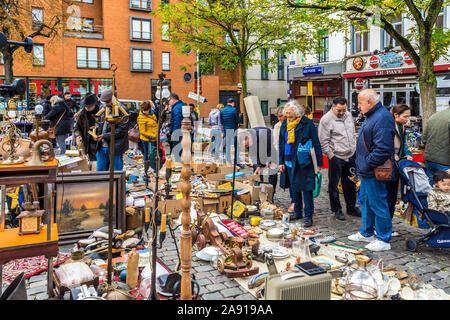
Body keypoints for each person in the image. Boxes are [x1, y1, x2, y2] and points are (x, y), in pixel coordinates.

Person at [348, 89, 395, 252]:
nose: (358, 106)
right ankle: (367, 232)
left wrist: (367, 163)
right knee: (366, 202)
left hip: (373, 170)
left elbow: (383, 149)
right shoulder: (374, 116)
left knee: (378, 202)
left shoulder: (382, 117)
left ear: (369, 102)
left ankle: (383, 239)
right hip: (367, 169)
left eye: (360, 103)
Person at [278, 100, 323, 228]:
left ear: (297, 112)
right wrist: (280, 161)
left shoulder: (307, 124)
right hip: (288, 160)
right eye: (286, 113)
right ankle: (298, 212)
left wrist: (319, 163)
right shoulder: (285, 123)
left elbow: (316, 143)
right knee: (294, 187)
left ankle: (308, 216)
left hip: (303, 161)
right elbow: (281, 142)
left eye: (290, 113)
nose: (288, 116)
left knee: (306, 189)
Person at [319, 96, 360, 221]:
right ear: (333, 107)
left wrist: (354, 147)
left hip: (350, 154)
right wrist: (331, 156)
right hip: (336, 156)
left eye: (343, 110)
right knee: (334, 184)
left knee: (350, 183)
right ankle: (336, 209)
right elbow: (323, 141)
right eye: (339, 110)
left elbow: (352, 132)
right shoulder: (326, 120)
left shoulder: (348, 115)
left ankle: (351, 207)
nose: (342, 113)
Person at [386, 104, 413, 219]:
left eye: (408, 117)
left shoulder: (401, 126)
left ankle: (388, 224)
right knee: (388, 196)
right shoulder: (389, 126)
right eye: (405, 117)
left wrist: (407, 154)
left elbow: (404, 144)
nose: (407, 119)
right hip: (388, 165)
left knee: (392, 196)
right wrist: (392, 154)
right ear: (396, 115)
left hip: (397, 165)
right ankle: (382, 225)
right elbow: (384, 144)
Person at [95, 89, 129, 171]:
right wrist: (96, 132)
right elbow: (100, 123)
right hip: (102, 146)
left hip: (116, 146)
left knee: (116, 172)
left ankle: (116, 184)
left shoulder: (122, 110)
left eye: (108, 101)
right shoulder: (103, 108)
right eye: (104, 102)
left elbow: (121, 130)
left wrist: (104, 136)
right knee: (100, 171)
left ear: (114, 99)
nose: (106, 104)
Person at [241, 127, 278, 193]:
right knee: (257, 171)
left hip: (269, 150)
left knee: (272, 172)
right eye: (246, 146)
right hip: (258, 151)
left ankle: (271, 193)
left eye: (247, 145)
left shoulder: (263, 134)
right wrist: (257, 166)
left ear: (249, 137)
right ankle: (260, 192)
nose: (247, 147)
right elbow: (253, 155)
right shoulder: (246, 139)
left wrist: (269, 161)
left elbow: (271, 149)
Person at [422, 101, 450, 184]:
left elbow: (424, 139)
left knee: (432, 190)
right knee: (446, 191)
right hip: (446, 162)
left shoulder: (434, 116)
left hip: (430, 160)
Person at [74, 93, 101, 169]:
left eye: (89, 106)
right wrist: (78, 135)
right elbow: (77, 128)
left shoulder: (101, 112)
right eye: (85, 106)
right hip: (88, 141)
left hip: (101, 141)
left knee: (99, 161)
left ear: (94, 104)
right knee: (92, 160)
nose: (87, 108)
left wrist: (97, 128)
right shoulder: (82, 113)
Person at [137, 100, 161, 171]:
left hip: (154, 138)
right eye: (144, 110)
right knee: (147, 154)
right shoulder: (141, 117)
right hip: (147, 139)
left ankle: (153, 168)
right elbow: (142, 131)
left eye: (146, 110)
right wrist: (153, 135)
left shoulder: (152, 114)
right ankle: (146, 170)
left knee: (154, 154)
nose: (145, 112)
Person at [220, 98, 241, 163]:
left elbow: (221, 122)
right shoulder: (234, 110)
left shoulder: (222, 111)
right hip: (233, 129)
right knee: (236, 146)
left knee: (227, 146)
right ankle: (236, 161)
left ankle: (228, 160)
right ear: (232, 103)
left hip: (226, 130)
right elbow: (237, 120)